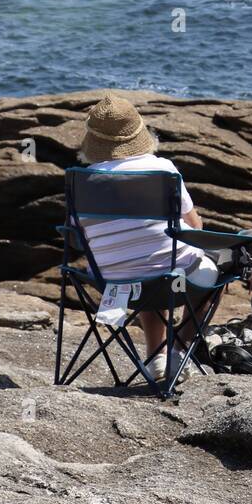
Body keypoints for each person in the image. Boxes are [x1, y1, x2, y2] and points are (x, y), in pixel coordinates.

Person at [77, 94, 218, 381]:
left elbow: (78, 237)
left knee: (148, 269)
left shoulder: (82, 180)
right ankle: (177, 349)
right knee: (220, 272)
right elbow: (195, 228)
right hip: (167, 281)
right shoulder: (163, 169)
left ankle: (157, 358)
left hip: (111, 282)